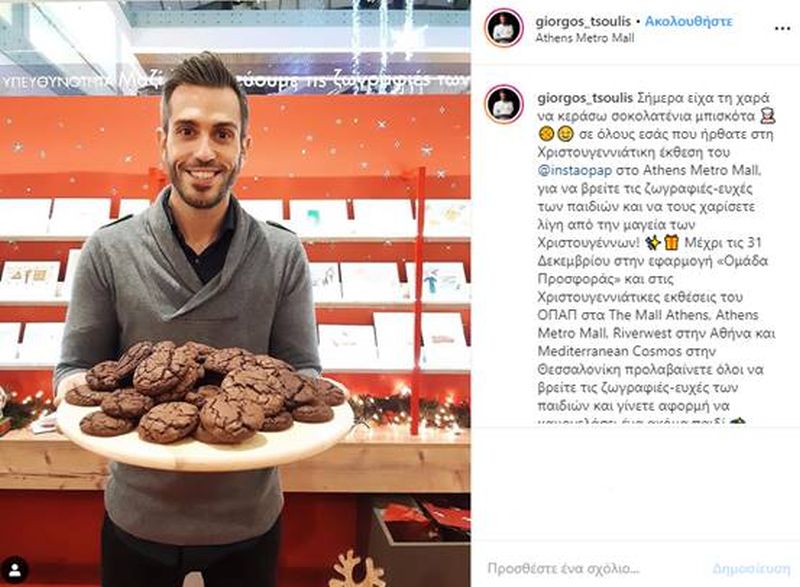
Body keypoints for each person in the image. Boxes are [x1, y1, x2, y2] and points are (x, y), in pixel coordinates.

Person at [54, 51, 320, 587]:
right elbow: (76, 370)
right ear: (163, 142)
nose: (204, 151)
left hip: (247, 519)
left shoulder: (282, 254)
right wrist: (84, 396)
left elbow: (303, 376)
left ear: (244, 147)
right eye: (187, 130)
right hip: (139, 516)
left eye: (222, 134)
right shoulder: (110, 250)